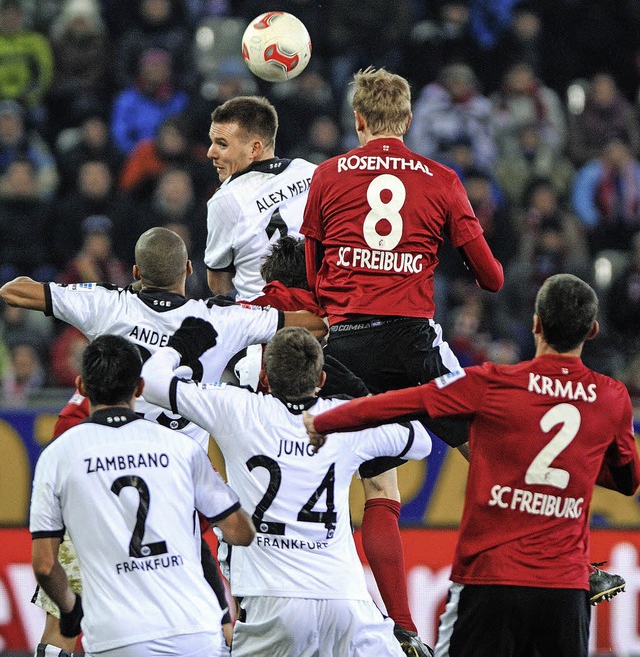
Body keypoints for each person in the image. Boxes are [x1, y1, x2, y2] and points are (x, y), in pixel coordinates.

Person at [303, 273, 640, 657]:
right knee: (483, 451)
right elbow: (630, 480)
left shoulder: (494, 383)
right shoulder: (611, 397)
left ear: (536, 324)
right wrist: (580, 458)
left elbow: (403, 402)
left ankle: (402, 627)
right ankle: (584, 572)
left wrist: (326, 421)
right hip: (563, 584)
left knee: (382, 485)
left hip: (488, 578)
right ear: (594, 330)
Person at [300, 66, 504, 650]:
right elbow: (491, 277)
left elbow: (316, 279)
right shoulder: (440, 178)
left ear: (358, 121)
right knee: (494, 457)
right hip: (414, 339)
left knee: (381, 493)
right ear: (409, 121)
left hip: (348, 343)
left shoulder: (329, 175)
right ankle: (573, 563)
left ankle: (404, 629)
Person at [142, 323, 432, 657]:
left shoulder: (235, 409)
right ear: (321, 380)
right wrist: (358, 395)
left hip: (273, 602)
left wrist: (178, 346)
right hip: (345, 600)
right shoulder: (342, 418)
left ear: (264, 379)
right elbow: (421, 441)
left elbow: (152, 382)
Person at [0, 226, 326, 450]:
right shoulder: (224, 318)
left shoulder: (106, 303)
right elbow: (314, 324)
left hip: (111, 452)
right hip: (180, 466)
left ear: (137, 272)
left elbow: (13, 291)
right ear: (187, 269)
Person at [30, 334, 255, 657]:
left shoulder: (59, 453)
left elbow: (45, 564)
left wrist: (70, 612)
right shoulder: (183, 448)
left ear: (81, 386)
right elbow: (239, 532)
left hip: (117, 636)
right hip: (196, 631)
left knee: (56, 638)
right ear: (138, 387)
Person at [204, 95, 317, 300]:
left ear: (254, 148)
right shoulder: (313, 173)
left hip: (262, 321)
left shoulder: (226, 199)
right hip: (320, 314)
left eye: (221, 144)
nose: (210, 152)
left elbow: (218, 283)